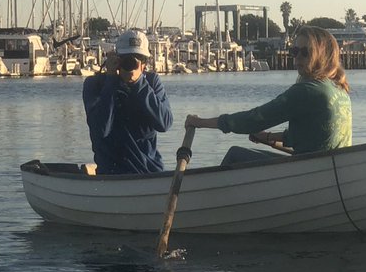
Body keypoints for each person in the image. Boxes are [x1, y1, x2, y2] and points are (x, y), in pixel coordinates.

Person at [187, 26, 351, 164]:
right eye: (294, 51)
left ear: (322, 56)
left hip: (313, 169)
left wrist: (200, 122)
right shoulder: (340, 89)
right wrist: (268, 137)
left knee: (235, 155)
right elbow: (310, 136)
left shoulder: (308, 91)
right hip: (331, 168)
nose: (297, 57)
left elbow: (254, 119)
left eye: (305, 52)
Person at [82, 29, 173, 174]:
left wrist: (139, 84)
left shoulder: (151, 82)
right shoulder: (96, 84)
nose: (132, 63)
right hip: (112, 174)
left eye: (138, 58)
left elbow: (164, 123)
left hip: (149, 173)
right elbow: (100, 130)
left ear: (144, 63)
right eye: (126, 58)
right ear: (117, 59)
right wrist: (111, 80)